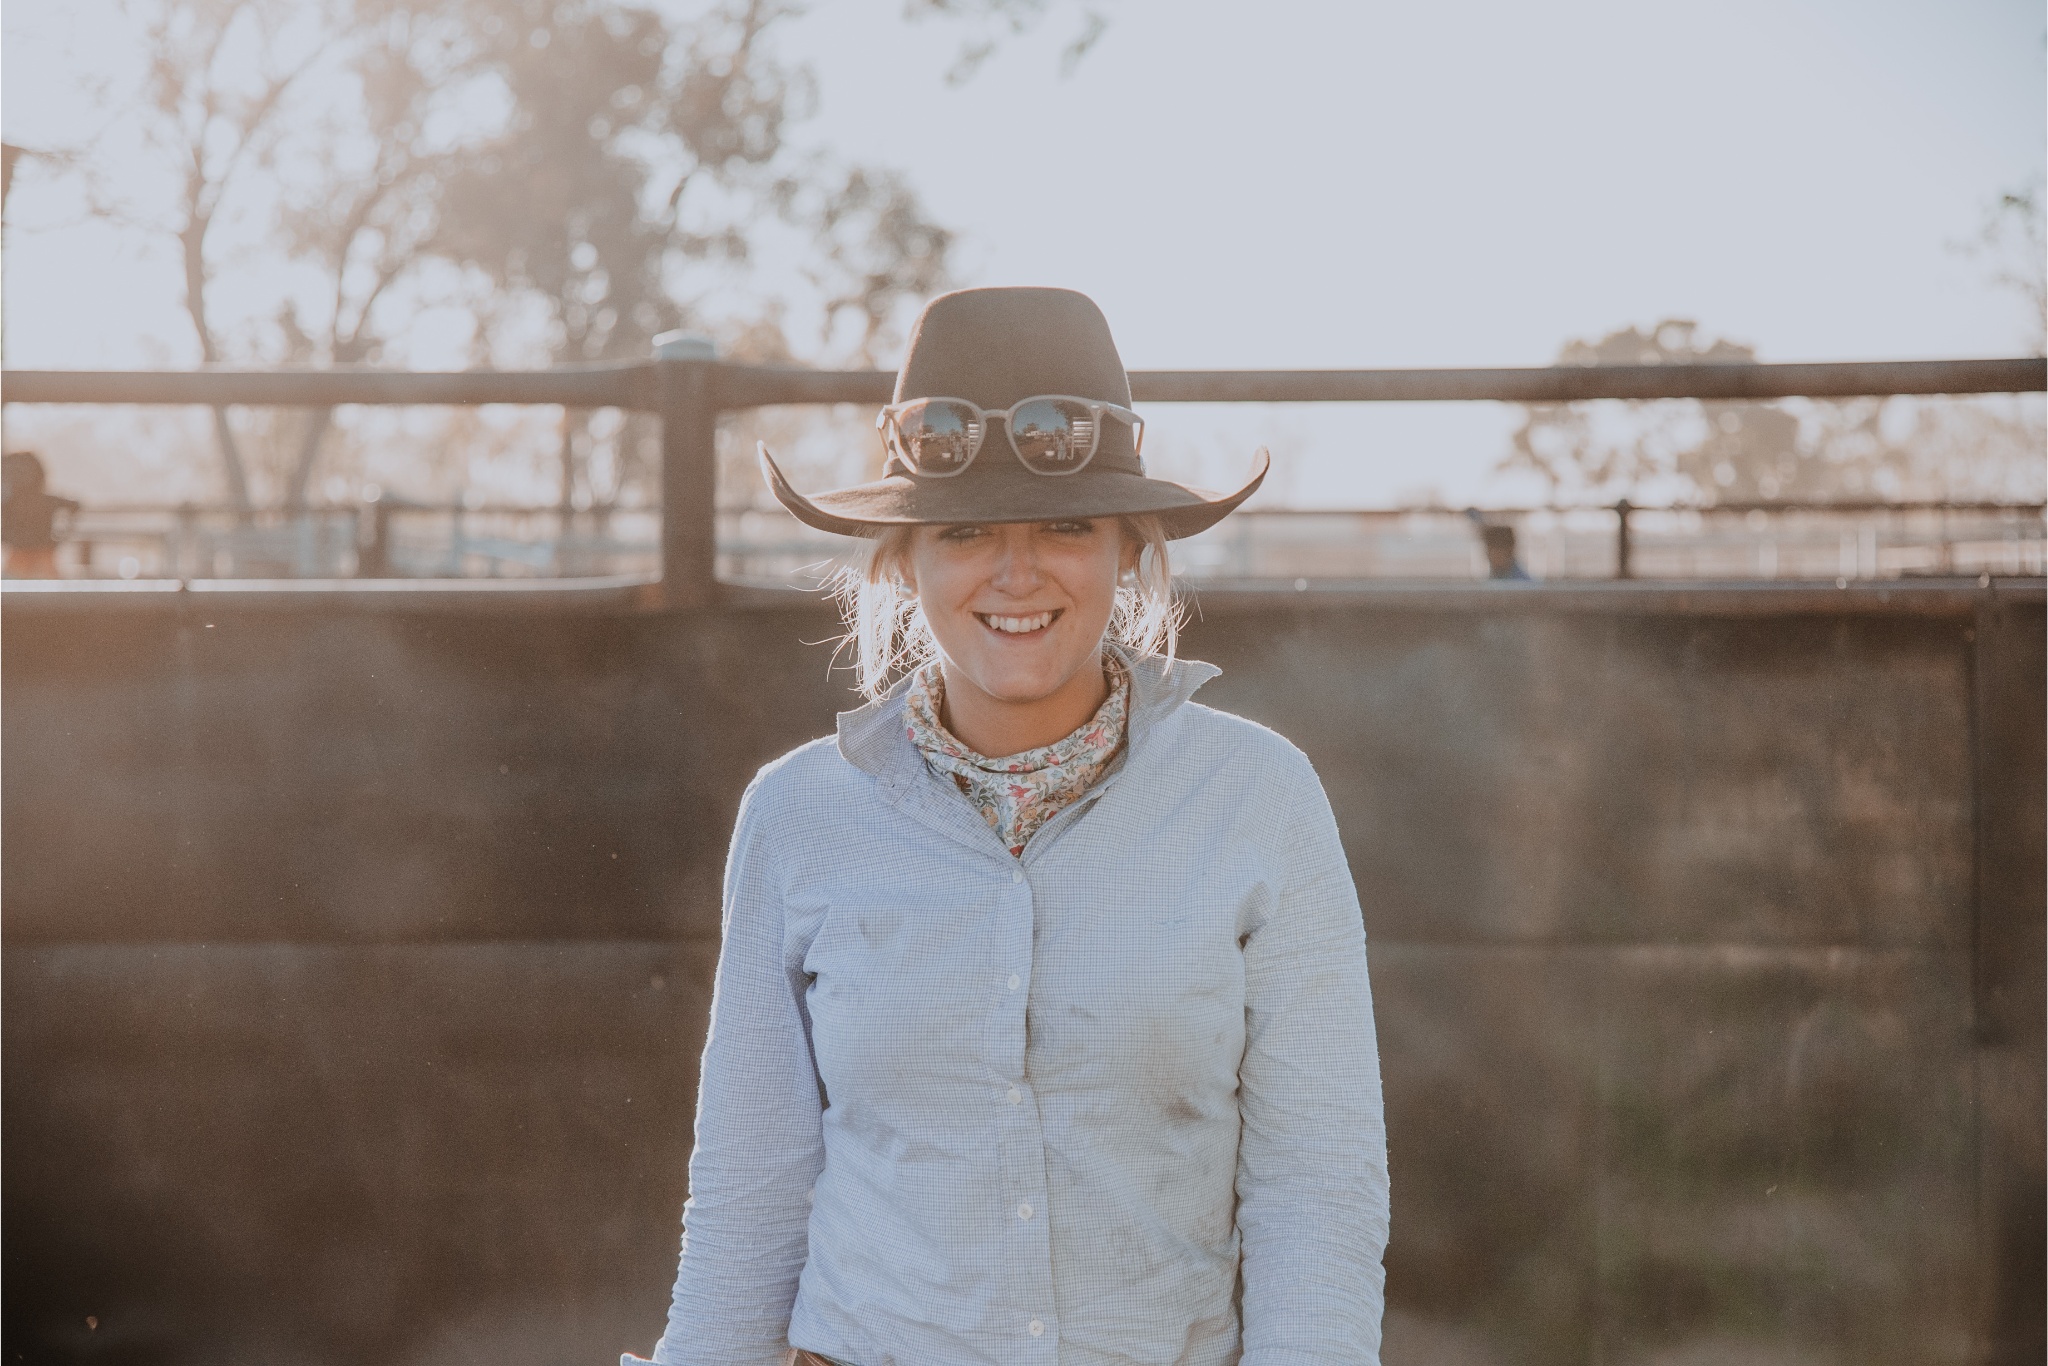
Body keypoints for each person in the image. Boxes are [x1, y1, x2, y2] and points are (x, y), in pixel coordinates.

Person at [634, 287, 1389, 1366]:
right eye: (965, 530)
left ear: (1131, 548)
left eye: (1067, 526)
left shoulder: (1257, 801)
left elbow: (1316, 1189)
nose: (1016, 571)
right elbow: (748, 1203)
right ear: (904, 559)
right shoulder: (798, 818)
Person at [2, 451, 80, 578]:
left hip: (38, 557)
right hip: (23, 557)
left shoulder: (10, 503)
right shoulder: (9, 503)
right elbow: (75, 506)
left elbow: (75, 506)